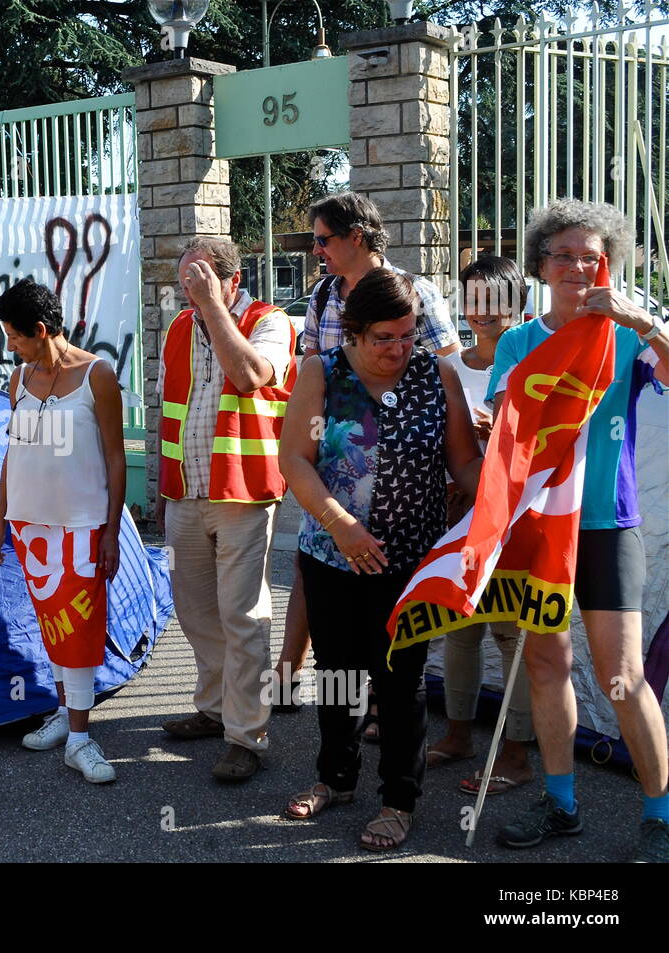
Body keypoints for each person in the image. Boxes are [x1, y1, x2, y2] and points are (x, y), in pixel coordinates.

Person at [488, 200, 669, 862]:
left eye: (590, 256)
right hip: (540, 525)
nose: (576, 266)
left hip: (608, 523)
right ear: (540, 264)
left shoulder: (627, 337)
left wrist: (642, 320)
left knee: (622, 673)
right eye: (563, 254)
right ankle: (561, 804)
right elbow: (506, 434)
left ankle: (660, 816)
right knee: (545, 663)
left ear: (608, 265)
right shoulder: (517, 341)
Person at [279, 269, 482, 850]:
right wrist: (341, 526)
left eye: (407, 335)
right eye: (383, 339)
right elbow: (295, 459)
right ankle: (335, 777)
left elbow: (462, 464)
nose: (397, 350)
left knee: (401, 682)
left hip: (410, 561)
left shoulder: (437, 374)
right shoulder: (320, 373)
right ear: (354, 333)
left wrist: (504, 492)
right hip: (333, 554)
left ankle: (399, 799)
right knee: (339, 671)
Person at [275, 192, 461, 731]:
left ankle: (383, 714)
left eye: (323, 239)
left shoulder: (414, 293)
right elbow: (306, 395)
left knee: (398, 658)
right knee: (319, 589)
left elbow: (443, 370)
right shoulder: (321, 297)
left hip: (406, 514)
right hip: (333, 491)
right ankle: (302, 690)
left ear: (356, 235)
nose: (316, 250)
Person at [155, 237, 297, 781]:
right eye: (185, 277)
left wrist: (214, 307)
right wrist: (169, 492)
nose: (189, 287)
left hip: (244, 491)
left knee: (242, 616)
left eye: (201, 277)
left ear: (233, 281)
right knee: (194, 612)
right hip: (186, 491)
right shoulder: (177, 328)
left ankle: (247, 736)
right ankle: (215, 710)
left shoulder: (271, 321)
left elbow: (251, 376)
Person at [0, 278, 125, 784]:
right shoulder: (19, 380)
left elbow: (115, 456)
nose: (9, 347)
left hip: (82, 525)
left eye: (15, 338)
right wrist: (0, 525)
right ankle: (67, 719)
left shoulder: (98, 376)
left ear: (41, 331)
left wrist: (111, 531)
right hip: (30, 527)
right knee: (55, 626)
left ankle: (82, 740)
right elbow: (13, 455)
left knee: (81, 629)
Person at [426, 256, 534, 795]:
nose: (482, 312)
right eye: (472, 299)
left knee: (512, 635)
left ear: (518, 302)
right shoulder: (448, 366)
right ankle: (458, 735)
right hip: (458, 519)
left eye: (494, 299)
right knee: (459, 632)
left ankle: (516, 753)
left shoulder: (534, 359)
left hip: (515, 520)